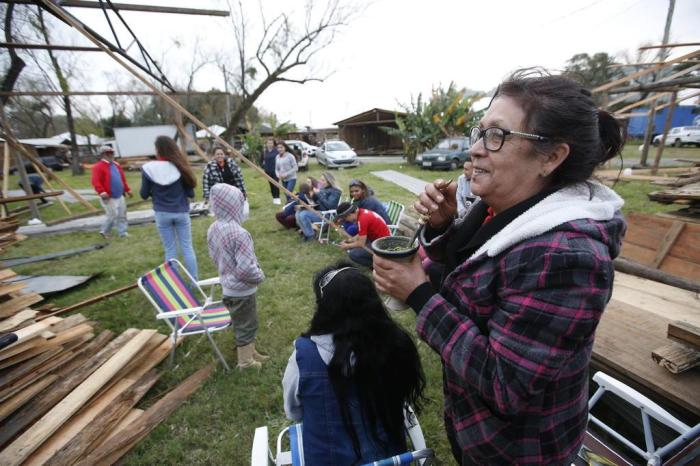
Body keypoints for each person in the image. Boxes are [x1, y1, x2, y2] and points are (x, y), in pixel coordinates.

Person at [373, 70, 626, 465]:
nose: (474, 149)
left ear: (551, 157)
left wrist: (419, 294)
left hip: (521, 450)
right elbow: (475, 280)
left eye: (497, 136)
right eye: (480, 132)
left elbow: (505, 383)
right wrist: (442, 226)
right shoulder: (502, 211)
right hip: (481, 434)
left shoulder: (567, 256)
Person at [282, 262, 425, 465]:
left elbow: (293, 411)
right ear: (373, 303)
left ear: (324, 308)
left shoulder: (303, 356)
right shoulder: (397, 344)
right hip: (391, 458)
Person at [207, 184, 268, 369]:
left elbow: (213, 256)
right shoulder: (240, 234)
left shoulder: (214, 228)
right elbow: (245, 269)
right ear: (235, 205)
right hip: (242, 291)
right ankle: (246, 362)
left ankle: (250, 351)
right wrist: (260, 276)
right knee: (247, 325)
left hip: (227, 287)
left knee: (243, 321)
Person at [140, 135, 199, 280]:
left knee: (170, 249)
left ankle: (174, 283)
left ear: (158, 150)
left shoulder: (149, 169)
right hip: (181, 212)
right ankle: (194, 281)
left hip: (162, 213)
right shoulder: (179, 166)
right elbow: (190, 192)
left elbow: (143, 194)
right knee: (187, 247)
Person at [91, 145, 132, 239]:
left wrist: (127, 189)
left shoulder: (116, 164)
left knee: (122, 214)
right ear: (103, 154)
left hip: (120, 195)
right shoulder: (98, 167)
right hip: (109, 196)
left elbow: (122, 179)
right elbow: (95, 181)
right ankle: (104, 231)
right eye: (108, 153)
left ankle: (122, 232)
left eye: (112, 152)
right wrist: (101, 192)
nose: (111, 155)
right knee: (112, 215)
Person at [335, 202, 390, 267]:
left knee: (353, 254)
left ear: (349, 215)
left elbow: (361, 244)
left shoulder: (362, 219)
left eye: (345, 218)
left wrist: (347, 246)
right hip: (379, 240)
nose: (347, 220)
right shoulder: (362, 212)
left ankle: (377, 266)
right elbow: (361, 234)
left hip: (382, 244)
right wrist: (350, 241)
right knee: (353, 246)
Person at [295, 171, 341, 242]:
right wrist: (310, 200)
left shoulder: (335, 191)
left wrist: (318, 194)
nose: (320, 182)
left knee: (303, 214)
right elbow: (318, 203)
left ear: (329, 181)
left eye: (323, 180)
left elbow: (330, 206)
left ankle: (310, 236)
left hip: (327, 215)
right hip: (319, 212)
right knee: (298, 213)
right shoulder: (322, 189)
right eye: (320, 179)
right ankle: (307, 233)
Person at [261, 138, 281, 205]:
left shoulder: (277, 151)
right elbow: (260, 160)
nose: (269, 144)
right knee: (271, 185)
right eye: (268, 143)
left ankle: (277, 198)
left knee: (276, 184)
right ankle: (274, 198)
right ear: (266, 144)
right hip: (268, 171)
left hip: (276, 171)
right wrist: (263, 167)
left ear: (273, 144)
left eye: (271, 143)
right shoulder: (264, 151)